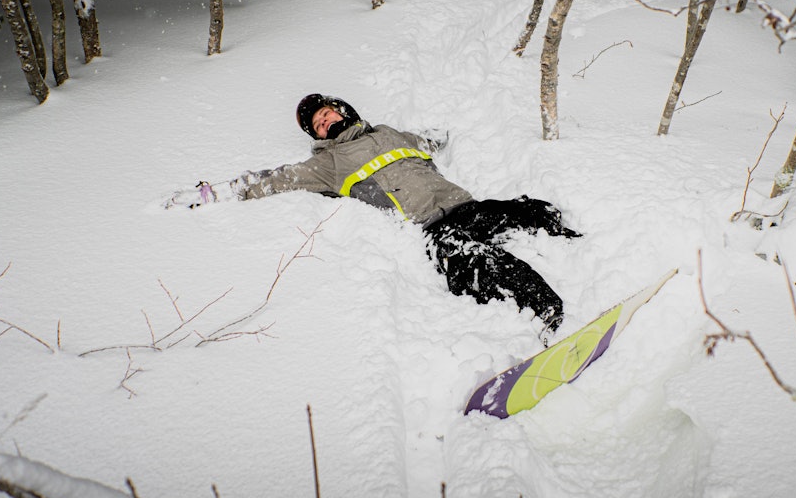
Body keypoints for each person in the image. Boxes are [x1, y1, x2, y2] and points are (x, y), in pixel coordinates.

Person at [169, 94, 580, 343]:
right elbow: (274, 180)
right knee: (477, 263)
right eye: (318, 124)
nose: (325, 121)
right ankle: (546, 309)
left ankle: (583, 245)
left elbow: (433, 139)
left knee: (529, 210)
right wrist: (212, 193)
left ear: (342, 110)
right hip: (432, 227)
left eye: (326, 113)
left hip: (465, 205)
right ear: (318, 136)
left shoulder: (388, 133)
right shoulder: (327, 164)